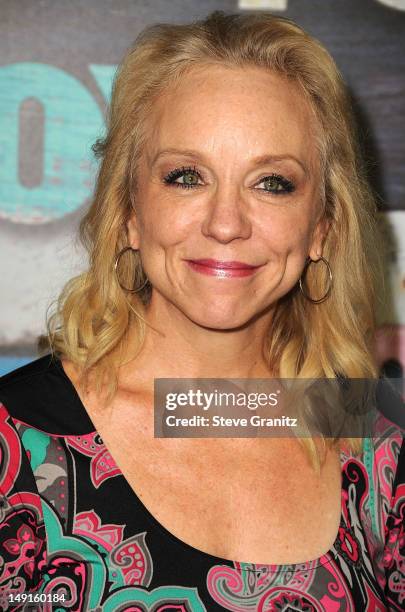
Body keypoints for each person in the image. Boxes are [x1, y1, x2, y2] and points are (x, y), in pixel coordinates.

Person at [0, 9, 403, 611]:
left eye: (272, 183)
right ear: (131, 210)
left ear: (321, 226)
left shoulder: (381, 449)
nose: (226, 223)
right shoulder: (13, 444)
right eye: (186, 176)